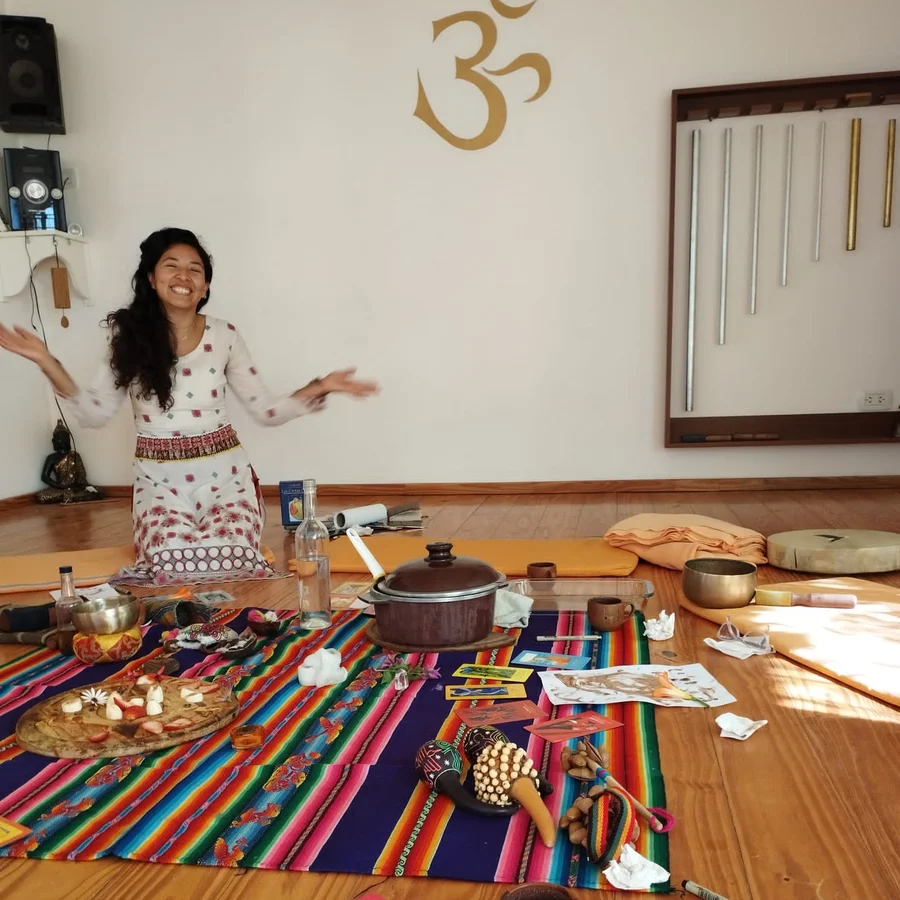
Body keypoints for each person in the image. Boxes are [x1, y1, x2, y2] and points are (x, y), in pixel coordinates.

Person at [0, 227, 378, 586]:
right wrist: (45, 360)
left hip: (226, 481)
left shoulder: (224, 335)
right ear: (151, 278)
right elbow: (93, 412)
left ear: (205, 286)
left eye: (195, 269)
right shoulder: (127, 337)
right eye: (172, 265)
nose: (184, 275)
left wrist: (322, 385)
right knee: (169, 561)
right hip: (160, 485)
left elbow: (266, 410)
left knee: (232, 557)